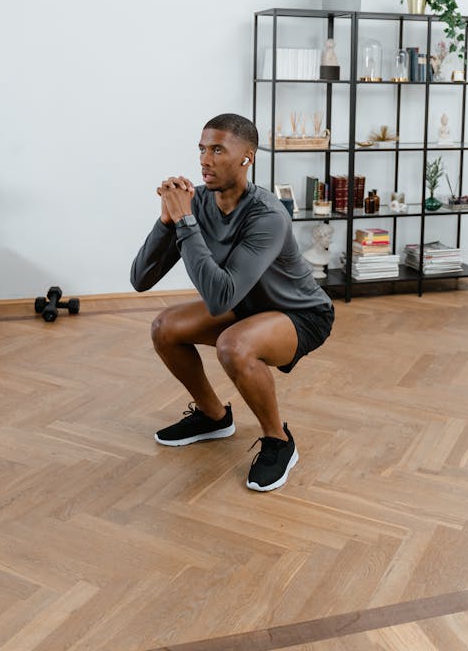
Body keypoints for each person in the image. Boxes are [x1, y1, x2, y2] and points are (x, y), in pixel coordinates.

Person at [130, 112, 334, 492]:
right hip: (245, 304)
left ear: (247, 157)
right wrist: (167, 222)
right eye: (202, 150)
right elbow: (140, 279)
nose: (205, 161)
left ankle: (279, 441)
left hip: (300, 313)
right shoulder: (198, 204)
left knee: (233, 346)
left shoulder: (267, 215)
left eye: (218, 150)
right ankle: (213, 417)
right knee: (164, 327)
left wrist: (185, 222)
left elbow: (219, 297)